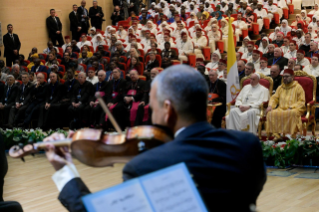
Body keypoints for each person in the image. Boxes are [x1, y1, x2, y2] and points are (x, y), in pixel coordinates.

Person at [43, 64, 266, 212]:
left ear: (167, 109)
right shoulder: (248, 146)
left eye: (153, 103)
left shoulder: (145, 167)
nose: (150, 110)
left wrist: (64, 170)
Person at [266, 69, 306, 139]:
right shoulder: (280, 87)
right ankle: (276, 135)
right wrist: (270, 106)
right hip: (281, 108)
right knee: (270, 113)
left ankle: (292, 135)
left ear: (292, 77)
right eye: (283, 77)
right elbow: (274, 98)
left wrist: (291, 107)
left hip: (295, 109)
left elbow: (301, 101)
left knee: (292, 113)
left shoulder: (298, 87)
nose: (284, 78)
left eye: (287, 77)